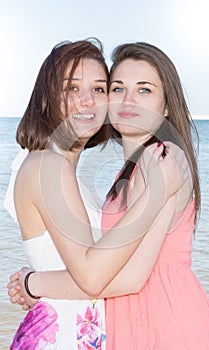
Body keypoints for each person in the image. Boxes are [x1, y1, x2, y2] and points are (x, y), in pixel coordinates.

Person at [5, 39, 187, 350]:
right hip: (61, 336)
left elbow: (111, 275)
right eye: (71, 88)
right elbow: (93, 279)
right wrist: (159, 190)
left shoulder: (50, 166)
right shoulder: (46, 165)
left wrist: (32, 282)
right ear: (46, 98)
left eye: (100, 88)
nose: (88, 100)